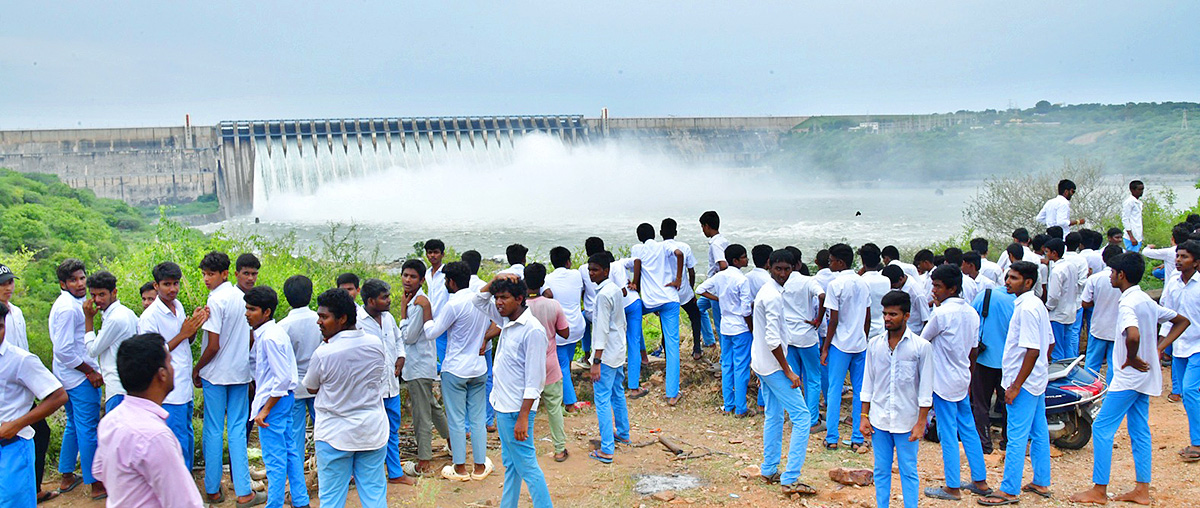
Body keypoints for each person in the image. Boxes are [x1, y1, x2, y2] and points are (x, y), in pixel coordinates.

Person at [1069, 251, 1190, 506]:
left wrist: (1133, 356)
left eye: (1112, 272)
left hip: (1129, 377)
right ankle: (1141, 489)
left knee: (1102, 428)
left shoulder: (1126, 303)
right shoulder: (1145, 299)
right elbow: (1181, 321)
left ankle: (1099, 490)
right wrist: (1159, 346)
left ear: (1121, 275)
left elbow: (1132, 335)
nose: (1110, 276)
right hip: (1145, 378)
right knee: (1139, 429)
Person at [93, 333, 204, 507]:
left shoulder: (111, 420)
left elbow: (100, 471)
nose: (173, 368)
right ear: (162, 375)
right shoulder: (155, 436)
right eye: (170, 362)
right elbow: (185, 503)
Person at [470, 276, 553, 508]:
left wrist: (523, 418)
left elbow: (535, 381)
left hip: (516, 409)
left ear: (519, 299)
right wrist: (495, 280)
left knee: (527, 466)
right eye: (496, 297)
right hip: (502, 404)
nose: (498, 302)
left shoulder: (532, 330)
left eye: (504, 297)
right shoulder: (506, 319)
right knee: (512, 465)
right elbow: (478, 300)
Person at [304, 289, 388, 508]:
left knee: (331, 498)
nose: (319, 322)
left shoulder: (324, 353)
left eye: (324, 317)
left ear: (342, 319)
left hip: (335, 434)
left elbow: (311, 387)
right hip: (371, 431)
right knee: (374, 494)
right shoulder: (375, 343)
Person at [978, 261, 1054, 506]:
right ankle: (1041, 480)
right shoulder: (1034, 305)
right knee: (1039, 431)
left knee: (1017, 435)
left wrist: (1015, 385)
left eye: (1014, 278)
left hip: (1024, 382)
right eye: (1008, 276)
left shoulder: (1027, 308)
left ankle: (1009, 489)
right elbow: (1048, 343)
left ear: (1028, 282)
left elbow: (1032, 350)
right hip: (1036, 379)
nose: (1007, 281)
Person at [921, 266, 991, 501]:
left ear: (951, 288)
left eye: (938, 286)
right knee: (968, 429)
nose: (934, 291)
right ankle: (980, 481)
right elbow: (973, 351)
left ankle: (952, 486)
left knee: (947, 432)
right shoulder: (971, 312)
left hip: (943, 380)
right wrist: (968, 376)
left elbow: (922, 343)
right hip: (962, 377)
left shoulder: (941, 314)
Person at [860, 290, 932, 508]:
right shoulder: (875, 345)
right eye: (885, 314)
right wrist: (864, 416)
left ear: (907, 316)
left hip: (907, 421)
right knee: (881, 470)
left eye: (893, 314)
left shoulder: (921, 347)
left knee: (908, 470)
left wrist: (921, 423)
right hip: (879, 419)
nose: (887, 319)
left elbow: (926, 389)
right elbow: (868, 383)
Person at [753, 250, 817, 496]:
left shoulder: (769, 291)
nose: (782, 274)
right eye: (778, 269)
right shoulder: (772, 296)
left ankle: (769, 469)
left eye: (786, 269)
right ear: (770, 266)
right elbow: (772, 339)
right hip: (773, 366)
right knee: (802, 418)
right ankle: (790, 477)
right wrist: (788, 370)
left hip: (763, 363)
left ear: (794, 269)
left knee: (774, 414)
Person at [194, 251, 255, 505]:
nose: (207, 279)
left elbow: (213, 345)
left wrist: (197, 368)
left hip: (216, 374)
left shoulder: (215, 301)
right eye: (205, 274)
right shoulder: (243, 299)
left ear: (224, 274)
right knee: (238, 430)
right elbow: (251, 337)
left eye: (211, 274)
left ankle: (213, 489)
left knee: (214, 429)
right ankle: (243, 491)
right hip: (239, 373)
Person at [422, 261, 492, 481]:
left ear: (450, 282)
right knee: (478, 418)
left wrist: (426, 314)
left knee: (457, 419)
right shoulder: (480, 301)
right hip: (478, 367)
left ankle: (460, 468)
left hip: (455, 369)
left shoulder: (453, 305)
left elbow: (432, 333)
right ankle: (480, 466)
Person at [137, 262, 206, 468]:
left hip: (183, 386)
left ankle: (186, 482)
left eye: (176, 283)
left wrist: (193, 326)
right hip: (169, 391)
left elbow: (186, 342)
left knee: (186, 436)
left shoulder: (178, 306)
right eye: (167, 284)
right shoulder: (149, 318)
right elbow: (152, 355)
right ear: (156, 286)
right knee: (175, 442)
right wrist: (183, 333)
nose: (173, 289)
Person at [0, 301, 69, 508]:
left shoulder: (20, 360)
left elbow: (58, 396)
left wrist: (17, 424)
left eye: (0, 326)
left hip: (13, 447)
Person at [244, 286, 307, 508]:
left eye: (252, 309)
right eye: (247, 308)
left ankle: (274, 504)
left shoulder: (269, 337)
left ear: (267, 312)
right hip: (284, 398)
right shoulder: (272, 332)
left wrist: (266, 409)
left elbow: (280, 378)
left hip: (275, 401)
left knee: (274, 460)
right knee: (289, 453)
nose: (247, 313)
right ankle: (301, 500)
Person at [50, 258, 106, 500]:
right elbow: (63, 350)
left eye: (82, 277)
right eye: (73, 280)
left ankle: (66, 476)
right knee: (88, 428)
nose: (80, 283)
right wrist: (89, 371)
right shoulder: (66, 308)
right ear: (63, 284)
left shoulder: (75, 303)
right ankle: (96, 484)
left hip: (67, 376)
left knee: (74, 424)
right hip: (78, 377)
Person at [358, 279, 415, 486]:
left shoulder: (388, 318)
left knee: (392, 429)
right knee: (370, 432)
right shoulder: (357, 321)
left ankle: (395, 472)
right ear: (371, 300)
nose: (390, 300)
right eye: (385, 297)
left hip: (391, 386)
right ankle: (368, 475)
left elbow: (399, 340)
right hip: (370, 390)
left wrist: (401, 357)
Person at [396, 260, 450, 476]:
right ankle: (453, 443)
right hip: (420, 364)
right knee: (432, 406)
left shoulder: (419, 303)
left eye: (412, 277)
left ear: (420, 280)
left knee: (421, 415)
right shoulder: (415, 300)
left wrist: (401, 313)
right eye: (405, 275)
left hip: (418, 365)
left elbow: (408, 337)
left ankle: (424, 462)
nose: (407, 280)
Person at [821, 243, 871, 451]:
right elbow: (868, 315)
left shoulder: (835, 284)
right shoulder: (862, 282)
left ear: (840, 262)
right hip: (859, 343)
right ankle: (857, 437)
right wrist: (864, 337)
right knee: (860, 391)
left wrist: (825, 347)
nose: (829, 264)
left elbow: (833, 320)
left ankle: (832, 436)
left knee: (834, 390)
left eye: (831, 260)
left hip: (840, 344)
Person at [630, 223, 685, 405]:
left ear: (639, 237)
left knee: (633, 323)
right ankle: (672, 394)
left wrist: (634, 282)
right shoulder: (664, 246)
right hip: (669, 299)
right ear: (655, 234)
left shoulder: (637, 248)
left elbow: (635, 266)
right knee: (672, 346)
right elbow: (679, 254)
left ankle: (642, 358)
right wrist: (678, 279)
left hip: (650, 301)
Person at [697, 244, 754, 416]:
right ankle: (741, 407)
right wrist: (752, 330)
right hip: (741, 328)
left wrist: (719, 299)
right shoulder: (742, 280)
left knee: (727, 365)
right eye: (744, 257)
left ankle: (729, 405)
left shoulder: (720, 276)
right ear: (736, 260)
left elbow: (700, 289)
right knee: (741, 366)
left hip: (726, 326)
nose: (746, 259)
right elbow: (746, 311)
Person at [523, 264, 571, 462]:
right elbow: (565, 332)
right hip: (549, 363)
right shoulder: (553, 305)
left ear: (525, 281)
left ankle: (526, 449)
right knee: (554, 408)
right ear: (543, 282)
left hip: (526, 365)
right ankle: (559, 448)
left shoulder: (520, 308)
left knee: (527, 408)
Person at [587, 252, 631, 464]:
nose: (591, 273)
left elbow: (602, 330)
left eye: (595, 269)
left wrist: (596, 361)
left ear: (606, 270)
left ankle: (606, 449)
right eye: (589, 269)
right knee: (617, 392)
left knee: (602, 399)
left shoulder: (604, 295)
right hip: (617, 349)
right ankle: (623, 432)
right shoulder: (614, 290)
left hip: (605, 354)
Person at [970, 264, 1017, 455]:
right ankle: (1008, 440)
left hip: (985, 358)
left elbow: (972, 320)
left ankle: (984, 443)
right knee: (1008, 403)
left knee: (980, 402)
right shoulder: (1021, 302)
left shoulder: (986, 295)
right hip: (1010, 363)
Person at [277, 275, 322, 471]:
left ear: (287, 297)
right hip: (318, 383)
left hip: (294, 385)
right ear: (311, 294)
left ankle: (297, 477)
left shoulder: (283, 326)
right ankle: (325, 470)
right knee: (322, 429)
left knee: (294, 434)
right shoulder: (319, 320)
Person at [781, 252, 826, 432]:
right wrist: (818, 319)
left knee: (793, 378)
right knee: (813, 378)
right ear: (798, 264)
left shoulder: (781, 283)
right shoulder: (808, 281)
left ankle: (796, 416)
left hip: (788, 335)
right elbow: (822, 296)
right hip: (806, 335)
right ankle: (812, 419)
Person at [82, 271, 139, 412]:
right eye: (93, 295)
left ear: (114, 292)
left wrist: (88, 319)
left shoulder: (115, 318)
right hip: (128, 384)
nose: (97, 300)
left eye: (102, 294)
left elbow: (93, 350)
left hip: (117, 386)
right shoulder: (126, 312)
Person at [1165, 241, 1200, 461]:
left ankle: (1197, 443)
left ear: (1196, 262)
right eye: (1178, 256)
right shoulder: (1173, 284)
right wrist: (1160, 346)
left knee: (1189, 391)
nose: (1178, 260)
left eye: (1184, 257)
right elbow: (1167, 317)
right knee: (1188, 396)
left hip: (1198, 346)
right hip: (1179, 347)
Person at [542, 248, 586, 413]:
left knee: (562, 365)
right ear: (568, 261)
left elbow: (547, 296)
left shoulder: (547, 279)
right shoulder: (576, 275)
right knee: (566, 362)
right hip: (577, 326)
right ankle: (565, 396)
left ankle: (569, 403)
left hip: (560, 329)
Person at [659, 220, 704, 361]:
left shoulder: (657, 248)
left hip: (665, 293)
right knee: (695, 316)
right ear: (676, 233)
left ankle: (668, 354)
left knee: (666, 325)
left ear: (660, 233)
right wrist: (691, 289)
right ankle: (697, 349)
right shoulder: (684, 247)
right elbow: (691, 271)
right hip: (684, 291)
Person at [459, 250, 494, 428]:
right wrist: (486, 338)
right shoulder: (484, 286)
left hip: (463, 342)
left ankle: (466, 424)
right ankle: (487, 419)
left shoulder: (459, 288)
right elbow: (494, 315)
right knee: (487, 379)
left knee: (462, 381)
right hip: (483, 340)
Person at [1081, 246, 1124, 385]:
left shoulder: (1095, 279)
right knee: (1113, 363)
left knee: (1092, 363)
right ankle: (1109, 393)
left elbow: (1085, 303)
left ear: (1103, 259)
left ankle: (1088, 390)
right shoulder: (1125, 280)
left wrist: (1097, 302)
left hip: (1098, 326)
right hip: (1117, 327)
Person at [1043, 238, 1082, 361]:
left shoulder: (1057, 271)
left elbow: (1054, 295)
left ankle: (1059, 373)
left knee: (1057, 348)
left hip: (1057, 314)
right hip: (1070, 311)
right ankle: (1071, 371)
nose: (1046, 255)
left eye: (1047, 252)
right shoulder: (1071, 266)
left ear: (1054, 253)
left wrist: (1047, 307)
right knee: (1067, 346)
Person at [697, 210, 729, 349]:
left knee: (719, 322)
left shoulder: (715, 244)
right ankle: (709, 341)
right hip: (713, 288)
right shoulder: (723, 240)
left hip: (715, 289)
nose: (703, 230)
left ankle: (723, 357)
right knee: (698, 307)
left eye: (703, 227)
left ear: (707, 226)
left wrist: (717, 279)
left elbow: (723, 264)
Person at [578, 237, 606, 357]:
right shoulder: (609, 267)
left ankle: (586, 353)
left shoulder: (583, 269)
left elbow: (581, 291)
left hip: (590, 312)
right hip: (608, 311)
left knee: (583, 318)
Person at [424, 239, 450, 368]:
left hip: (444, 318)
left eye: (436, 252)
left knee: (445, 353)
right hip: (432, 318)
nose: (432, 256)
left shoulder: (447, 272)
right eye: (429, 253)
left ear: (442, 254)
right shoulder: (427, 273)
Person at [882, 265, 929, 335]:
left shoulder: (916, 293)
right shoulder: (900, 285)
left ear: (900, 279)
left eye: (893, 285)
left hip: (913, 332)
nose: (891, 287)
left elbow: (926, 318)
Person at [1122, 180, 1145, 252]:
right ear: (1132, 190)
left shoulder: (1138, 202)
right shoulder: (1129, 202)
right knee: (1131, 257)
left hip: (1138, 235)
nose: (1141, 191)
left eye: (1142, 189)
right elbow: (1125, 219)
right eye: (1139, 189)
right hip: (1131, 237)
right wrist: (1131, 237)